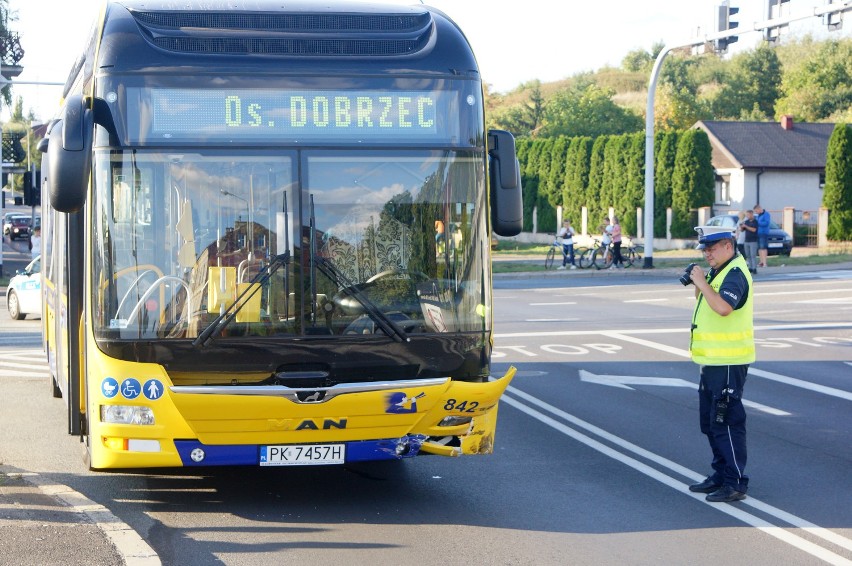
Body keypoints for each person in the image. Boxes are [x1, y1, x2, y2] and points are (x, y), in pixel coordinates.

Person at [687, 225, 754, 503]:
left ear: (728, 246)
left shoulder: (736, 273)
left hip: (728, 362)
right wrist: (700, 284)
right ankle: (720, 473)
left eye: (711, 249)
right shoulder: (720, 271)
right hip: (712, 361)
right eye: (704, 249)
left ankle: (735, 481)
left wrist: (702, 282)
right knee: (711, 423)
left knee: (726, 423)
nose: (707, 255)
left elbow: (724, 308)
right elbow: (706, 302)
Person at [741, 209, 758, 275]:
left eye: (748, 215)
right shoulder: (746, 222)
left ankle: (754, 268)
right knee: (748, 255)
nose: (747, 216)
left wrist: (746, 226)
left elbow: (754, 230)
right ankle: (750, 267)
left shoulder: (755, 222)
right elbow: (742, 230)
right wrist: (742, 227)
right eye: (746, 215)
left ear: (751, 214)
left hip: (753, 241)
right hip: (746, 240)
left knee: (753, 255)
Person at [754, 204, 771, 268]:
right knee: (759, 248)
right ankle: (761, 262)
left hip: (763, 232)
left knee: (763, 247)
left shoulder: (766, 214)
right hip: (758, 233)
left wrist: (758, 223)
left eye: (756, 211)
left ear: (759, 209)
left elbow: (766, 223)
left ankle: (764, 262)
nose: (756, 212)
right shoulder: (758, 216)